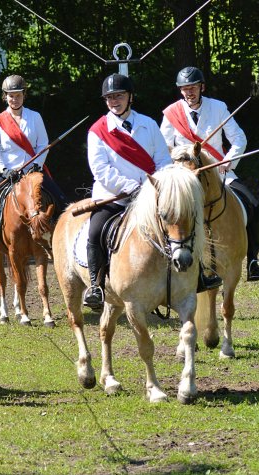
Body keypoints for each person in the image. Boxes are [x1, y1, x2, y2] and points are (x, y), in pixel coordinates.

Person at [160, 66, 259, 282]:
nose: (189, 92)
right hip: (185, 178)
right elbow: (162, 147)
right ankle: (166, 261)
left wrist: (228, 161)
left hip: (218, 171)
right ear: (180, 91)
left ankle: (253, 260)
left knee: (253, 204)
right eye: (185, 88)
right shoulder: (171, 113)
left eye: (193, 87)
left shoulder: (218, 108)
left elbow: (239, 138)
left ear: (202, 87)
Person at [83, 73, 173, 310]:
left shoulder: (149, 124)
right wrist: (131, 187)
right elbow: (101, 170)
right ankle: (96, 285)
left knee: (179, 223)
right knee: (95, 231)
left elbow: (163, 160)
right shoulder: (97, 131)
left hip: (151, 196)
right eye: (110, 97)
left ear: (130, 97)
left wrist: (154, 186)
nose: (114, 101)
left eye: (119, 95)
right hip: (114, 197)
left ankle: (195, 275)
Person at [0, 74, 67, 258]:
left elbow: (43, 144)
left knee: (62, 200)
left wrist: (35, 165)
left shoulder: (35, 117)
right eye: (10, 95)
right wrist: (4, 171)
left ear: (24, 95)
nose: (14, 99)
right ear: (5, 96)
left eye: (18, 95)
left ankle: (64, 239)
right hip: (7, 172)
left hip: (32, 170)